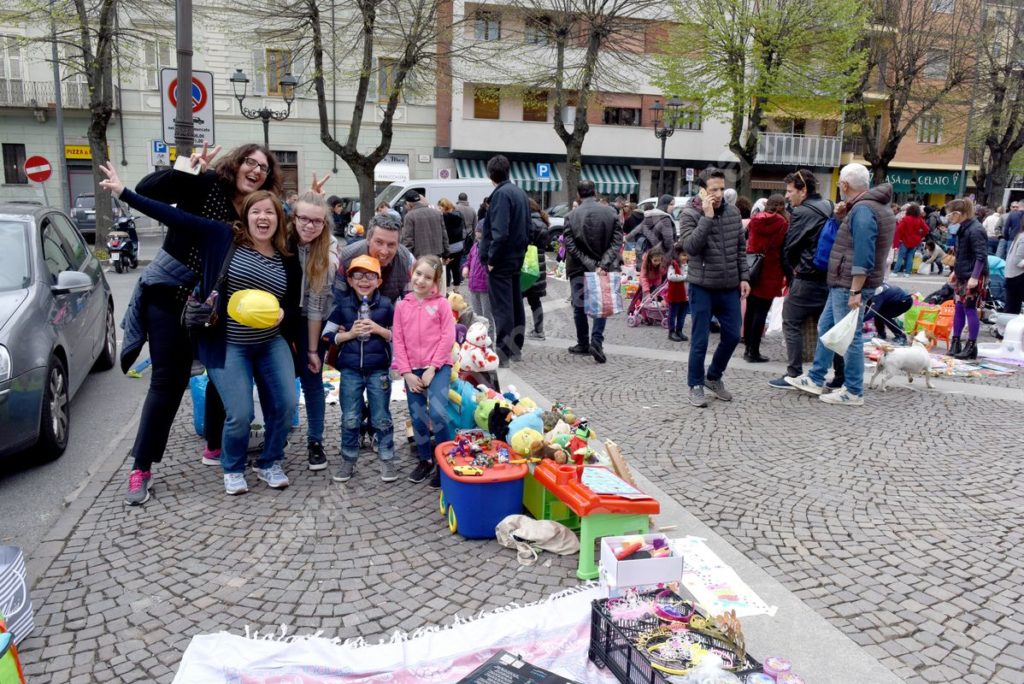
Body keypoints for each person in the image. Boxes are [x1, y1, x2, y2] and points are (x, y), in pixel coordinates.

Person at [101, 163, 302, 495]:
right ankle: (148, 467)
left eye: (271, 212)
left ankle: (248, 454)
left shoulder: (284, 252)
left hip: (264, 339)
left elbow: (298, 290)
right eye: (257, 212)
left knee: (275, 401)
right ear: (247, 215)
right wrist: (125, 192)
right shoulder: (221, 231)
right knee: (175, 387)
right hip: (203, 322)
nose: (264, 217)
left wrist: (284, 313)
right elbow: (171, 213)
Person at [787, 163, 896, 405]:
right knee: (827, 330)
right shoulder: (871, 207)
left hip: (849, 282)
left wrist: (856, 289)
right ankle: (816, 378)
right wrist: (842, 217)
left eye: (839, 184)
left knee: (850, 337)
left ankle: (853, 390)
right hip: (845, 281)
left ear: (845, 185)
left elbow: (864, 251)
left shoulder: (864, 210)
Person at [678, 167, 749, 408]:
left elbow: (741, 248)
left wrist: (745, 277)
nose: (718, 194)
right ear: (702, 191)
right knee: (700, 340)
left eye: (721, 188)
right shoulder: (689, 214)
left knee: (732, 335)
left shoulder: (733, 213)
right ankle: (695, 384)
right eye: (713, 189)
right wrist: (706, 217)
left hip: (729, 286)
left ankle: (713, 376)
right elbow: (691, 247)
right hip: (703, 286)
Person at [323, 255, 397, 483]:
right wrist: (349, 335)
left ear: (379, 280)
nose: (364, 280)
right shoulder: (343, 306)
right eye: (358, 275)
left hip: (378, 370)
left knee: (381, 416)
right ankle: (348, 458)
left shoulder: (386, 306)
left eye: (370, 276)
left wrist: (378, 329)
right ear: (350, 280)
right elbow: (327, 336)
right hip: (351, 370)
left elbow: (398, 336)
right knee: (351, 417)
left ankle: (387, 459)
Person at [770, 169, 844, 391]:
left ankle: (793, 373)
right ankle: (840, 375)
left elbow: (790, 248)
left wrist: (791, 274)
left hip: (807, 276)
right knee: (831, 329)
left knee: (790, 320)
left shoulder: (802, 211)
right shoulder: (830, 205)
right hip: (829, 277)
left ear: (803, 190)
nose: (787, 195)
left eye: (790, 191)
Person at [392, 256, 456, 487]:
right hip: (412, 370)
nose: (421, 280)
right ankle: (425, 459)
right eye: (419, 274)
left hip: (437, 367)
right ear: (412, 272)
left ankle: (444, 462)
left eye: (428, 277)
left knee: (438, 414)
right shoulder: (402, 305)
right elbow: (398, 339)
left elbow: (448, 337)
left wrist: (433, 368)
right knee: (418, 416)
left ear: (435, 281)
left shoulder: (441, 305)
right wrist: (407, 372)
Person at [289, 191, 339, 472]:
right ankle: (277, 433)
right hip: (282, 319)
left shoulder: (326, 254)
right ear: (293, 218)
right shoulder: (281, 241)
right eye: (303, 219)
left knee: (312, 378)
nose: (309, 225)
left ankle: (315, 441)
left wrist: (311, 350)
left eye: (317, 221)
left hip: (313, 320)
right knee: (280, 382)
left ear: (325, 224)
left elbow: (317, 306)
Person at [564, 179, 623, 364]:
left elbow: (571, 246)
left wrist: (590, 264)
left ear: (578, 195)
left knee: (579, 306)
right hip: (602, 267)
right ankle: (596, 341)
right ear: (594, 192)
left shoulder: (571, 216)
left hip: (579, 268)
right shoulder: (611, 213)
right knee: (601, 305)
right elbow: (616, 242)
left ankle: (583, 343)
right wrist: (602, 264)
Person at [480, 155, 531, 365]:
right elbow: (528, 226)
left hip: (501, 258)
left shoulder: (501, 195)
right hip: (516, 255)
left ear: (491, 174)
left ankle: (503, 352)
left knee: (503, 307)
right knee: (515, 303)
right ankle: (516, 347)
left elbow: (499, 232)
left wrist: (491, 258)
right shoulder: (519, 192)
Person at [743, 194, 788, 363]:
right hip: (771, 270)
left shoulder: (755, 220)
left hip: (753, 268)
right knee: (762, 311)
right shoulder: (783, 223)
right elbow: (783, 248)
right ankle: (754, 351)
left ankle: (747, 348)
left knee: (751, 309)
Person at [945, 198, 989, 360]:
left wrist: (975, 277)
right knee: (959, 307)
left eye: (950, 214)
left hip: (973, 275)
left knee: (970, 308)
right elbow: (961, 253)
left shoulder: (976, 230)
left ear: (958, 214)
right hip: (963, 273)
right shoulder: (963, 229)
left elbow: (981, 255)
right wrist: (955, 271)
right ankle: (956, 341)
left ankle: (971, 344)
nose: (949, 218)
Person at [336, 216, 414, 304]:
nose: (384, 251)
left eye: (391, 244)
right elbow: (338, 298)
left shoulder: (406, 260)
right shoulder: (347, 257)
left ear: (398, 245)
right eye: (379, 242)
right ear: (368, 240)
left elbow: (411, 302)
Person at [524, 199, 550, 340]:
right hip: (539, 265)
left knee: (518, 299)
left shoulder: (527, 224)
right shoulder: (543, 223)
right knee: (535, 301)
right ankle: (539, 330)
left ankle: (518, 329)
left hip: (525, 264)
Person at [401, 190, 448, 259]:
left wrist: (407, 258)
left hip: (420, 257)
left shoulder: (409, 216)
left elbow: (408, 240)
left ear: (408, 203)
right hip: (437, 254)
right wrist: (446, 252)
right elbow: (444, 234)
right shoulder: (436, 213)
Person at [627, 194, 675, 258]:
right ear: (665, 205)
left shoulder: (650, 215)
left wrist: (626, 238)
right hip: (660, 255)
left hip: (648, 253)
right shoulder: (666, 220)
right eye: (671, 204)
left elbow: (638, 229)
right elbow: (668, 242)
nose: (673, 207)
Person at [462, 224, 491, 320]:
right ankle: (478, 333)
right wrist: (466, 267)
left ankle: (489, 334)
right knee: (476, 315)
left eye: (478, 230)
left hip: (484, 286)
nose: (476, 232)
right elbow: (469, 260)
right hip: (473, 285)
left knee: (487, 315)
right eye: (476, 230)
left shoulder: (489, 247)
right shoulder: (474, 246)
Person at [893, 204, 929, 277]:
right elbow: (926, 229)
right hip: (915, 241)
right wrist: (920, 236)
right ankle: (907, 273)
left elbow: (899, 229)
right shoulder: (920, 219)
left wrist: (900, 238)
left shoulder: (906, 218)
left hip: (905, 240)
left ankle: (895, 272)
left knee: (900, 256)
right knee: (910, 257)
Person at [438, 197, 465, 288]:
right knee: (456, 268)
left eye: (440, 207)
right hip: (459, 246)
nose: (439, 209)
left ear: (444, 207)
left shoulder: (444, 217)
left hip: (449, 246)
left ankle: (447, 288)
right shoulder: (459, 215)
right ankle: (456, 289)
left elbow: (445, 233)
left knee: (446, 268)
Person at [633, 244, 666, 316]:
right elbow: (643, 277)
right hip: (646, 282)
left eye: (659, 260)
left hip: (656, 282)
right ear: (650, 258)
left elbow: (663, 273)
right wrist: (647, 291)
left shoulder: (660, 263)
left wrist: (661, 266)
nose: (657, 262)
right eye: (655, 261)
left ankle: (654, 315)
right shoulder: (645, 264)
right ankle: (644, 315)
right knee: (645, 300)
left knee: (656, 298)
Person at [666, 246, 689, 341]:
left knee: (682, 315)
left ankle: (679, 330)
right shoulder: (673, 265)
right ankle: (671, 332)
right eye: (683, 255)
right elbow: (670, 277)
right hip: (676, 295)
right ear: (678, 255)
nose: (686, 258)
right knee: (673, 314)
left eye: (687, 255)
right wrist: (684, 277)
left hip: (686, 295)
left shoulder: (688, 265)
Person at [1005, 226, 1024, 314]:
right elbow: (1018, 261)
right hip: (1017, 276)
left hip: (1011, 275)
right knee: (1013, 307)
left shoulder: (1019, 235)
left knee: (1011, 306)